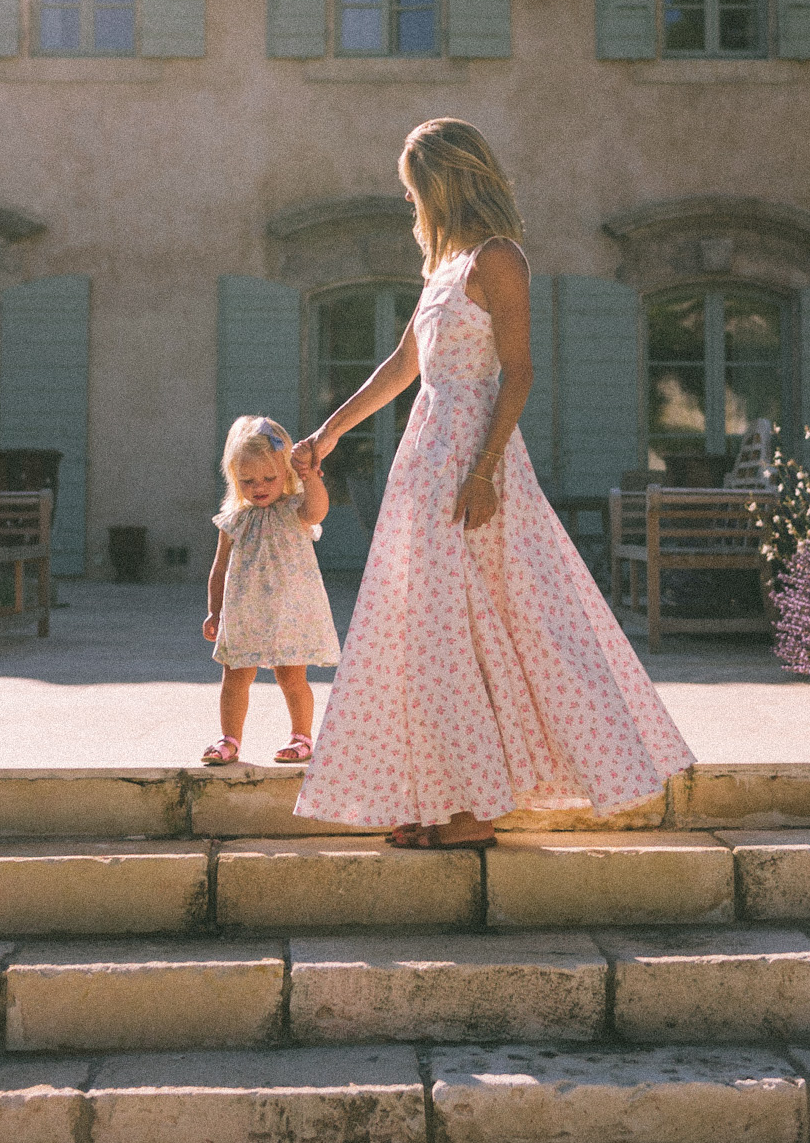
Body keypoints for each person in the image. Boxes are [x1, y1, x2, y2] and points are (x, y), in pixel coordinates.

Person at [292, 117, 693, 847]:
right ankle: (448, 797)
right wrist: (331, 431)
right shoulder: (442, 269)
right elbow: (401, 368)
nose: (412, 206)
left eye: (416, 191)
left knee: (497, 626)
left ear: (444, 185)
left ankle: (478, 809)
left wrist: (484, 471)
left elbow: (520, 372)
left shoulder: (498, 258)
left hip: (476, 458)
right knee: (430, 637)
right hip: (425, 458)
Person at [201, 415, 339, 767]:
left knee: (291, 675)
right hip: (244, 612)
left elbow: (317, 510)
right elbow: (219, 569)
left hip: (289, 610)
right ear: (235, 478)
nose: (258, 486)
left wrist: (311, 480)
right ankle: (229, 739)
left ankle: (302, 736)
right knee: (234, 676)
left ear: (287, 474)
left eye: (268, 478)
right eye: (247, 480)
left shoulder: (295, 510)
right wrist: (214, 611)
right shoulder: (234, 519)